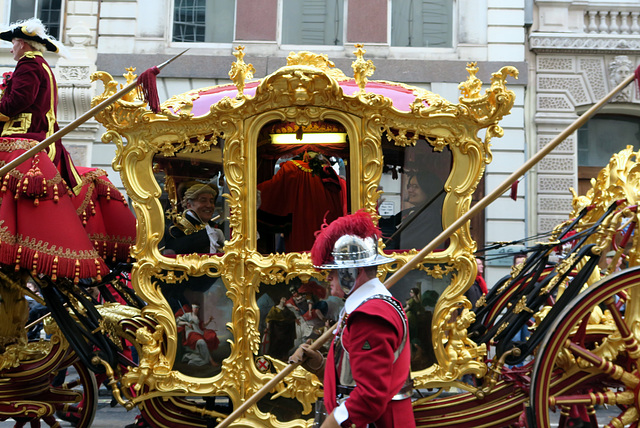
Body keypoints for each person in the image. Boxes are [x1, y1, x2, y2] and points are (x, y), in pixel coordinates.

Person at [289, 210, 415, 428]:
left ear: (352, 272)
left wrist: (332, 423)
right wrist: (321, 366)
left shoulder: (370, 316)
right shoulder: (369, 307)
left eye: (334, 270)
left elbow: (370, 396)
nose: (327, 277)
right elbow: (358, 377)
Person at [257, 151, 347, 253]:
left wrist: (245, 192)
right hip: (328, 246)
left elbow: (267, 193)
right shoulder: (337, 180)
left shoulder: (291, 170)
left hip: (299, 241)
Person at [380, 171, 445, 251]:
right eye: (409, 186)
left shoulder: (429, 216)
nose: (410, 190)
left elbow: (404, 244)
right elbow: (387, 224)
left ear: (428, 189)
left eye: (415, 187)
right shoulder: (411, 211)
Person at [164, 183, 225, 254]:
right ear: (189, 205)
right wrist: (207, 234)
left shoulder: (214, 226)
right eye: (203, 200)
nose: (209, 205)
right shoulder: (176, 227)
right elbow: (173, 250)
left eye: (211, 201)